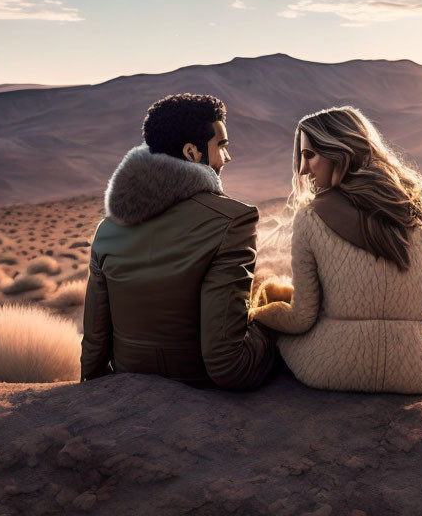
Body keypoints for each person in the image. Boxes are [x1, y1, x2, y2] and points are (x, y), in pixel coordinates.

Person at [250, 106, 422, 394]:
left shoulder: (310, 217)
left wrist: (261, 312)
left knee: (272, 295)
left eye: (309, 155)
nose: (303, 170)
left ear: (340, 151)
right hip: (420, 373)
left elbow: (302, 318)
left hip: (331, 367)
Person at [80, 93, 276, 389]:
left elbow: (95, 344)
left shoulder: (107, 228)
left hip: (128, 374)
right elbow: (227, 364)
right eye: (221, 146)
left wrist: (95, 391)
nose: (227, 157)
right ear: (191, 152)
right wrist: (272, 330)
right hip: (196, 380)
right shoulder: (233, 221)